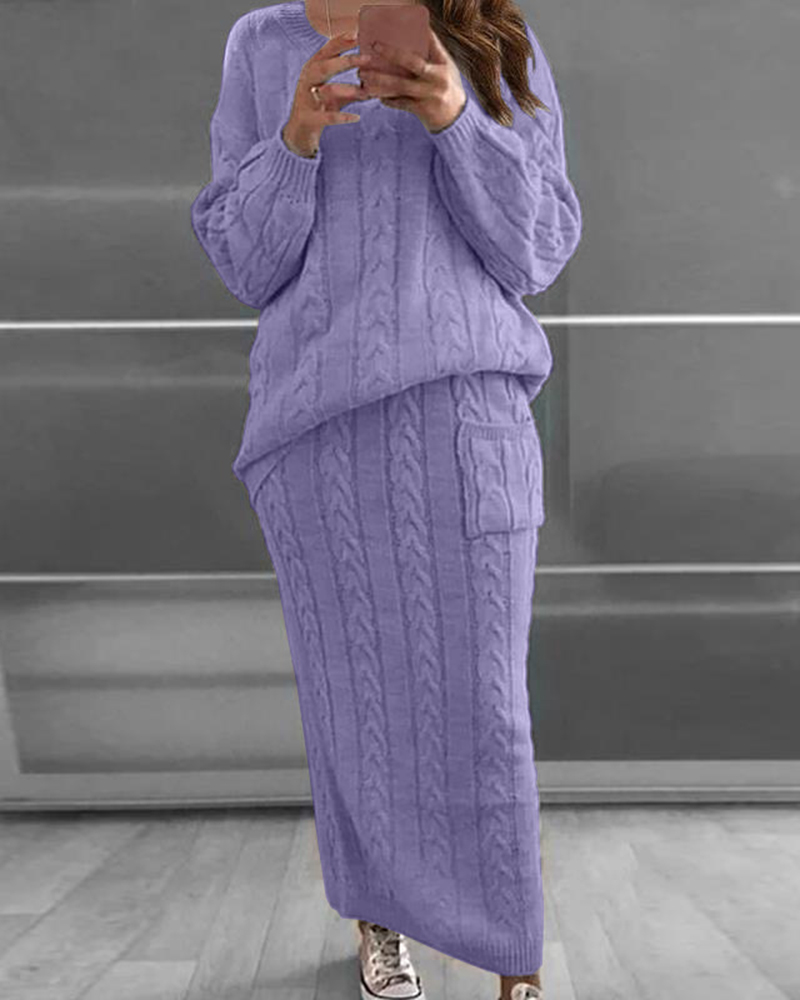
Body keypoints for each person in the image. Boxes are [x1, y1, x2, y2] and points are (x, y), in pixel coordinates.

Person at [190, 2, 582, 998]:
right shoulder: (260, 43)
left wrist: (454, 115)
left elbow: (538, 248)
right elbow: (244, 263)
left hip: (466, 415)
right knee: (351, 705)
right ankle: (382, 924)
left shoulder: (491, 35)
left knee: (485, 710)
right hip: (315, 432)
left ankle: (515, 962)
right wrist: (294, 142)